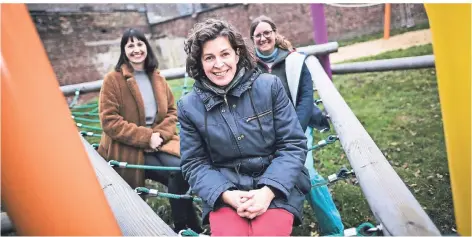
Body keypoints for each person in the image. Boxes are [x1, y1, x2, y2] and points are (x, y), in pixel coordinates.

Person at [178, 18, 311, 236]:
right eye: (209, 57)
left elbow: (293, 144)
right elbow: (194, 163)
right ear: (199, 63)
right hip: (224, 189)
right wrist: (226, 194)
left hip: (275, 183)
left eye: (225, 54)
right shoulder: (188, 107)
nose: (219, 64)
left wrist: (268, 191)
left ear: (237, 54)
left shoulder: (269, 87)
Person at [97, 28, 201, 233]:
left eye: (140, 44)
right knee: (176, 173)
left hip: (158, 142)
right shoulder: (113, 80)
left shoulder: (158, 78)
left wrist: (159, 136)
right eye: (130, 45)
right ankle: (185, 228)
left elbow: (172, 112)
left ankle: (188, 227)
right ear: (124, 50)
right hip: (128, 147)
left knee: (184, 168)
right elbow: (109, 121)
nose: (136, 49)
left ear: (146, 47)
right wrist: (146, 138)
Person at [250, 15, 344, 235]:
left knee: (307, 174)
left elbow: (305, 99)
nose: (263, 38)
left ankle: (334, 229)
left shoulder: (295, 60)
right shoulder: (249, 66)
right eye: (258, 35)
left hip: (297, 127)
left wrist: (295, 130)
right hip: (263, 132)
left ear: (274, 33)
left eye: (267, 33)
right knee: (264, 175)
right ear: (252, 39)